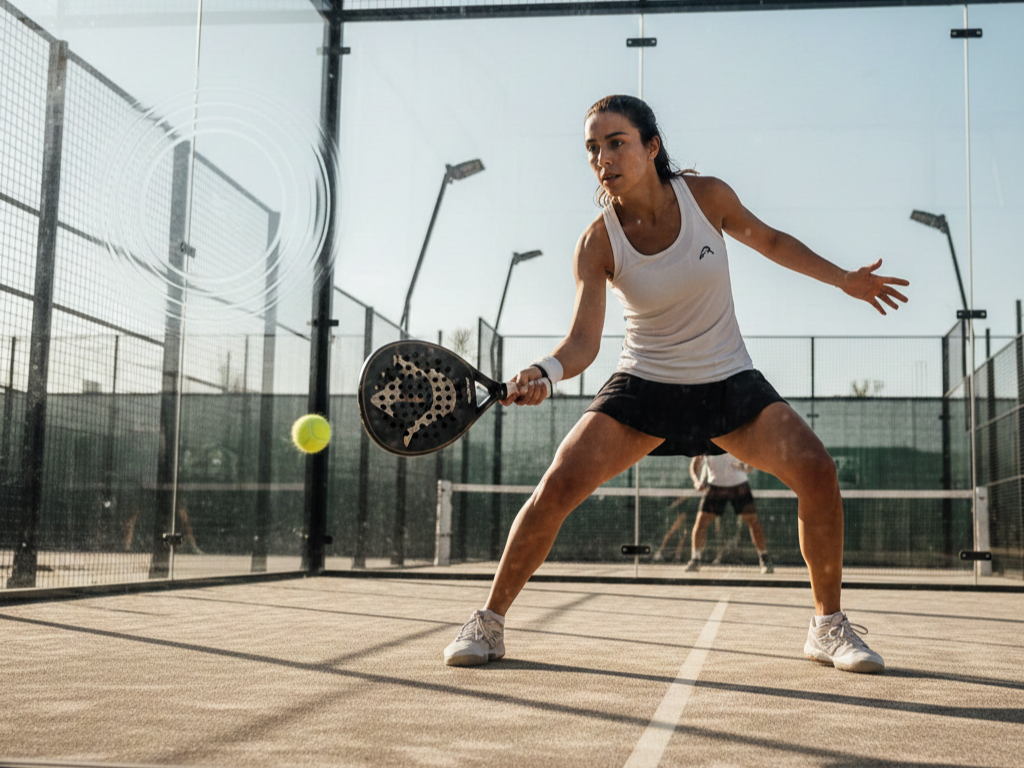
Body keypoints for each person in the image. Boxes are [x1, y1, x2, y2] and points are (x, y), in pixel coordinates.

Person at [443, 94, 908, 674]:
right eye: (593, 149)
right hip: (645, 384)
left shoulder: (707, 197)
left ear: (651, 146)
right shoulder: (597, 242)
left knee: (817, 470)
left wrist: (843, 280)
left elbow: (770, 241)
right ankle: (488, 624)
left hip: (728, 380)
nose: (603, 158)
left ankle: (828, 628)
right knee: (556, 486)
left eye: (616, 143)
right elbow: (582, 342)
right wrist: (544, 372)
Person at [683, 453, 773, 574]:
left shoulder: (738, 443)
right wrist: (697, 482)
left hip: (739, 486)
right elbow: (695, 463)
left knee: (754, 522)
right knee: (701, 523)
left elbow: (750, 468)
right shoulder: (707, 443)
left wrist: (745, 466)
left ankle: (764, 559)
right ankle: (695, 559)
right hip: (715, 486)